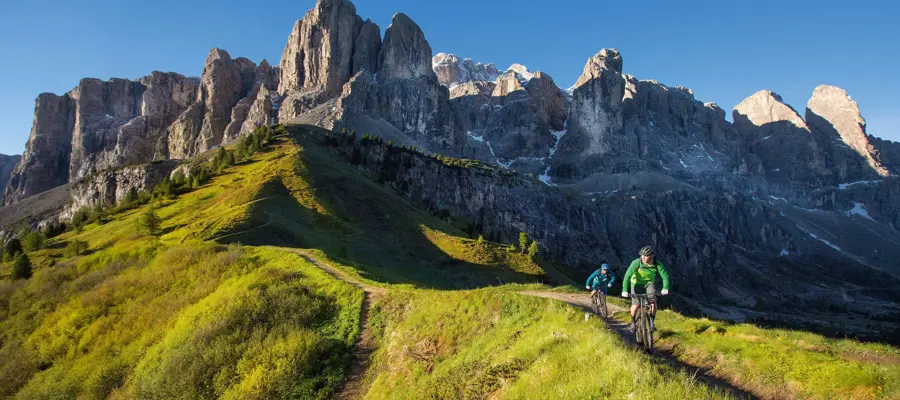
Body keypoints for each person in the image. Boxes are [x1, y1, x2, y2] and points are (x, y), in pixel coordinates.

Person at [621, 246, 670, 332]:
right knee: (636, 305)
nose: (642, 257)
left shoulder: (657, 264)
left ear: (651, 257)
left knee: (653, 303)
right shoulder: (636, 262)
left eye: (645, 256)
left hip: (649, 283)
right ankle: (633, 321)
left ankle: (652, 322)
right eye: (642, 255)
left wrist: (665, 288)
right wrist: (624, 290)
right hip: (636, 284)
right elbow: (627, 276)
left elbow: (665, 276)